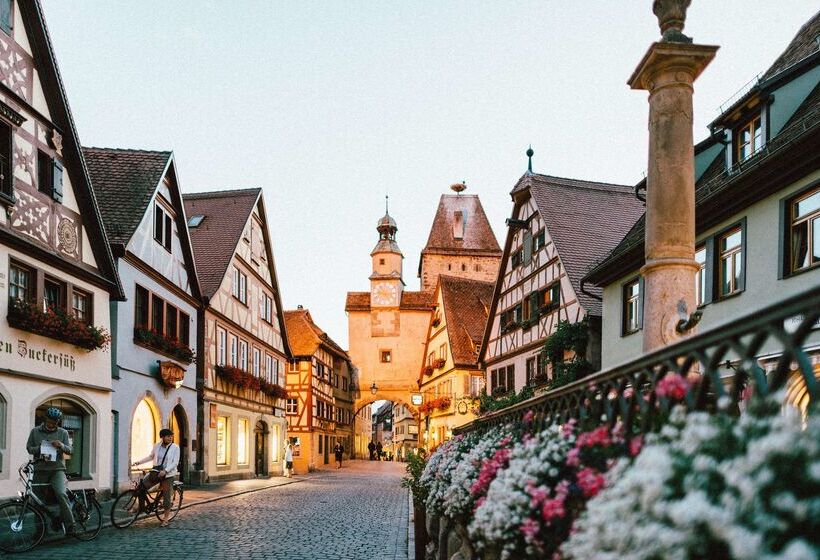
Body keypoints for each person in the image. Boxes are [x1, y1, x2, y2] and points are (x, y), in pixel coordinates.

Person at [26, 407, 75, 534]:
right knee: (38, 500)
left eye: (55, 422)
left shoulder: (63, 433)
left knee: (61, 493)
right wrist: (40, 448)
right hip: (40, 469)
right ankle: (41, 530)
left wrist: (61, 445)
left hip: (57, 469)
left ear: (58, 422)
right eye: (50, 421)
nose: (52, 424)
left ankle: (70, 525)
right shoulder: (35, 431)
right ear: (45, 419)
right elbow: (29, 448)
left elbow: (70, 451)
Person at [131, 428, 179, 527]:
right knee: (141, 487)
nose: (170, 438)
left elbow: (175, 462)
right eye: (168, 436)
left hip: (168, 475)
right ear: (162, 437)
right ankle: (141, 507)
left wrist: (165, 471)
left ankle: (165, 519)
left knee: (166, 496)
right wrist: (139, 462)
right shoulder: (157, 446)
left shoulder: (175, 448)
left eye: (171, 436)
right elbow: (151, 456)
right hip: (156, 472)